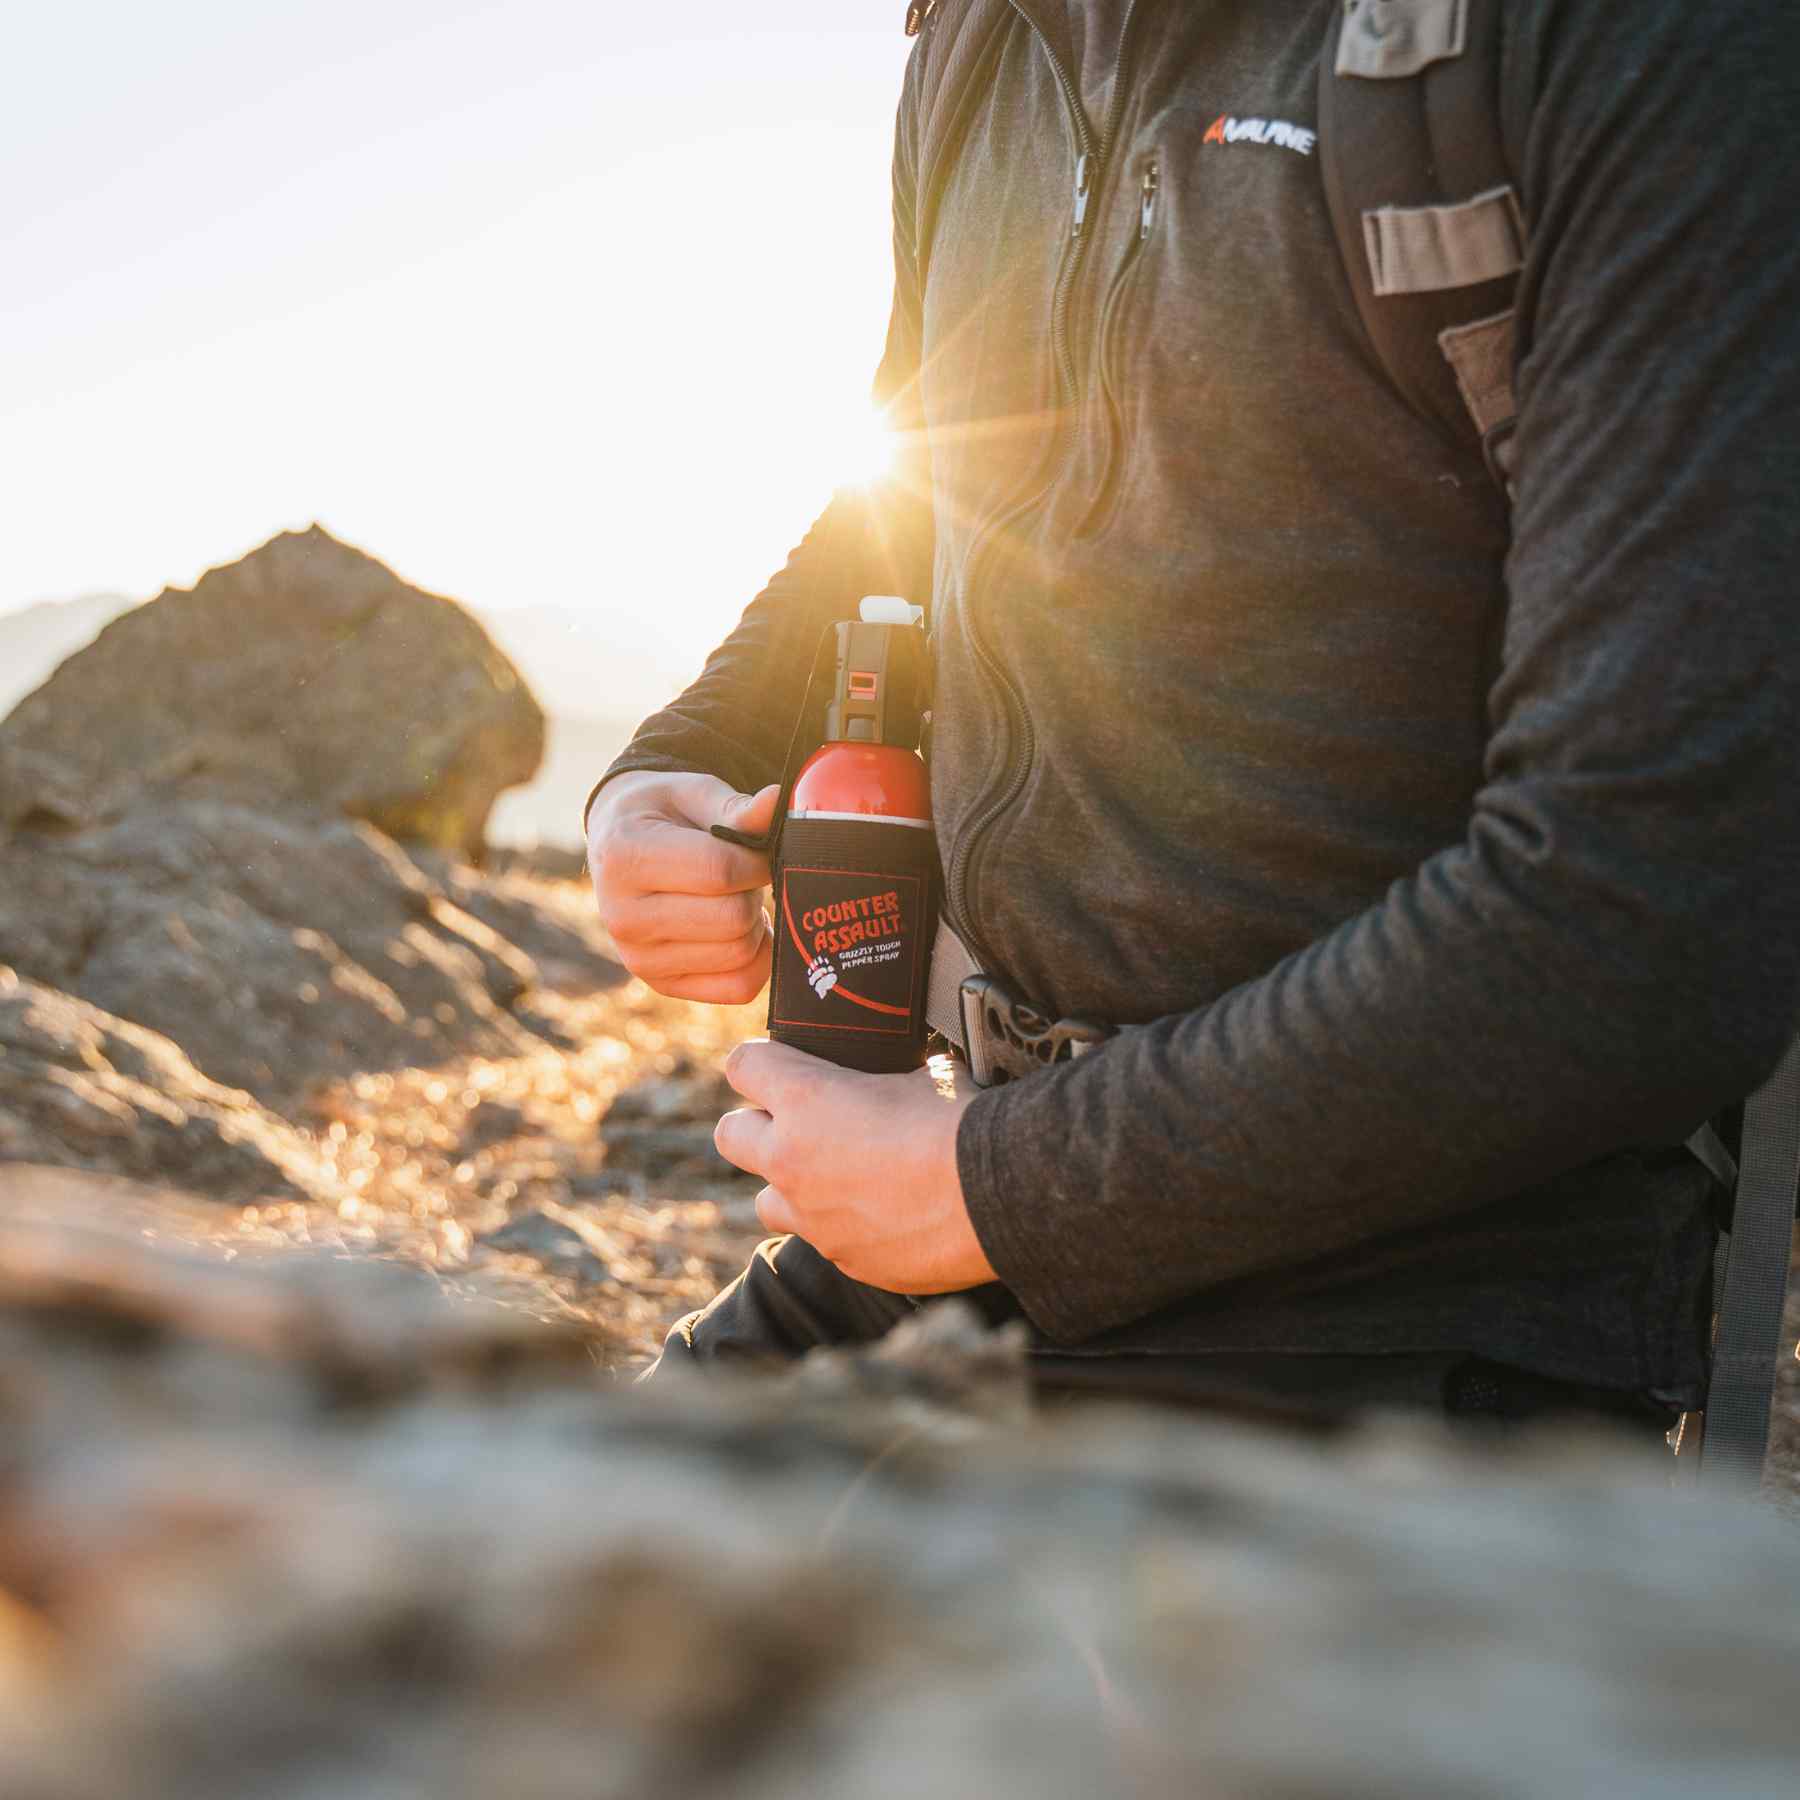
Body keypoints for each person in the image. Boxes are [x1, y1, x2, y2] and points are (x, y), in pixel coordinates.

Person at [584, 0, 1800, 1429]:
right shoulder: (986, 35)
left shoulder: (1625, 43)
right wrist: (684, 757)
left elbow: (1650, 907)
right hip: (954, 1220)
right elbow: (923, 491)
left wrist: (1009, 1188)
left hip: (1405, 1308)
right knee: (497, 1627)